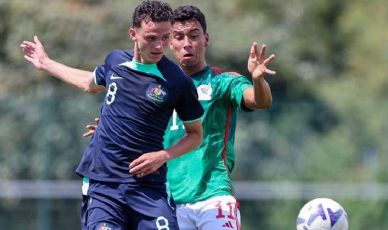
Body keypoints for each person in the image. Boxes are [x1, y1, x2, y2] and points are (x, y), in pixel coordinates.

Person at [85, 5, 275, 230]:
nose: (187, 43)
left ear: (206, 39)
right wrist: (109, 129)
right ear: (170, 43)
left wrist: (258, 80)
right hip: (167, 200)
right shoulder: (156, 84)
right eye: (179, 37)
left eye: (194, 36)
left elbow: (259, 101)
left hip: (213, 197)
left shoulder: (222, 82)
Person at [20, 1, 204, 229]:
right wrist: (46, 63)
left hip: (148, 188)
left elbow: (196, 135)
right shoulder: (115, 61)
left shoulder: (177, 81)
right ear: (133, 34)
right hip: (104, 186)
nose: (159, 46)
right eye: (151, 38)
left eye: (165, 38)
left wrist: (163, 156)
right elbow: (89, 83)